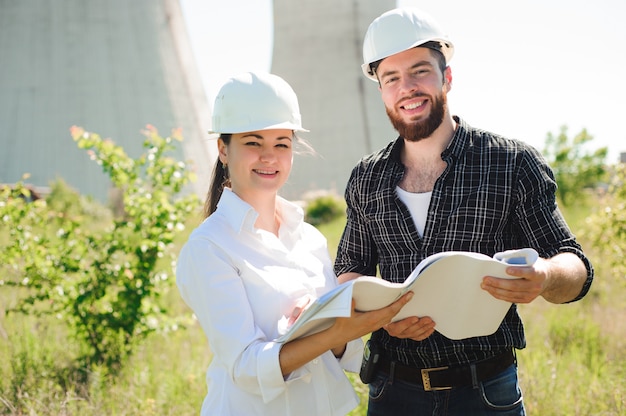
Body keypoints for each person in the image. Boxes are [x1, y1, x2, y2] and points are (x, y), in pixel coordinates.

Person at [334, 7, 594, 416]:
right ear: (381, 89)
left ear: (447, 77)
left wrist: (543, 276)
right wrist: (381, 318)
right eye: (392, 79)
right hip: (391, 393)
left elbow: (576, 268)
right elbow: (349, 271)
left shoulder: (511, 163)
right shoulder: (366, 177)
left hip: (486, 393)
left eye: (420, 71)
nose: (407, 88)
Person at [175, 71, 412, 415]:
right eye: (253, 143)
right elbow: (246, 369)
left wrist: (335, 328)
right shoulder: (209, 247)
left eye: (281, 144)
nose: (269, 157)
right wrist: (333, 333)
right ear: (223, 149)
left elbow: (343, 352)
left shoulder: (308, 237)